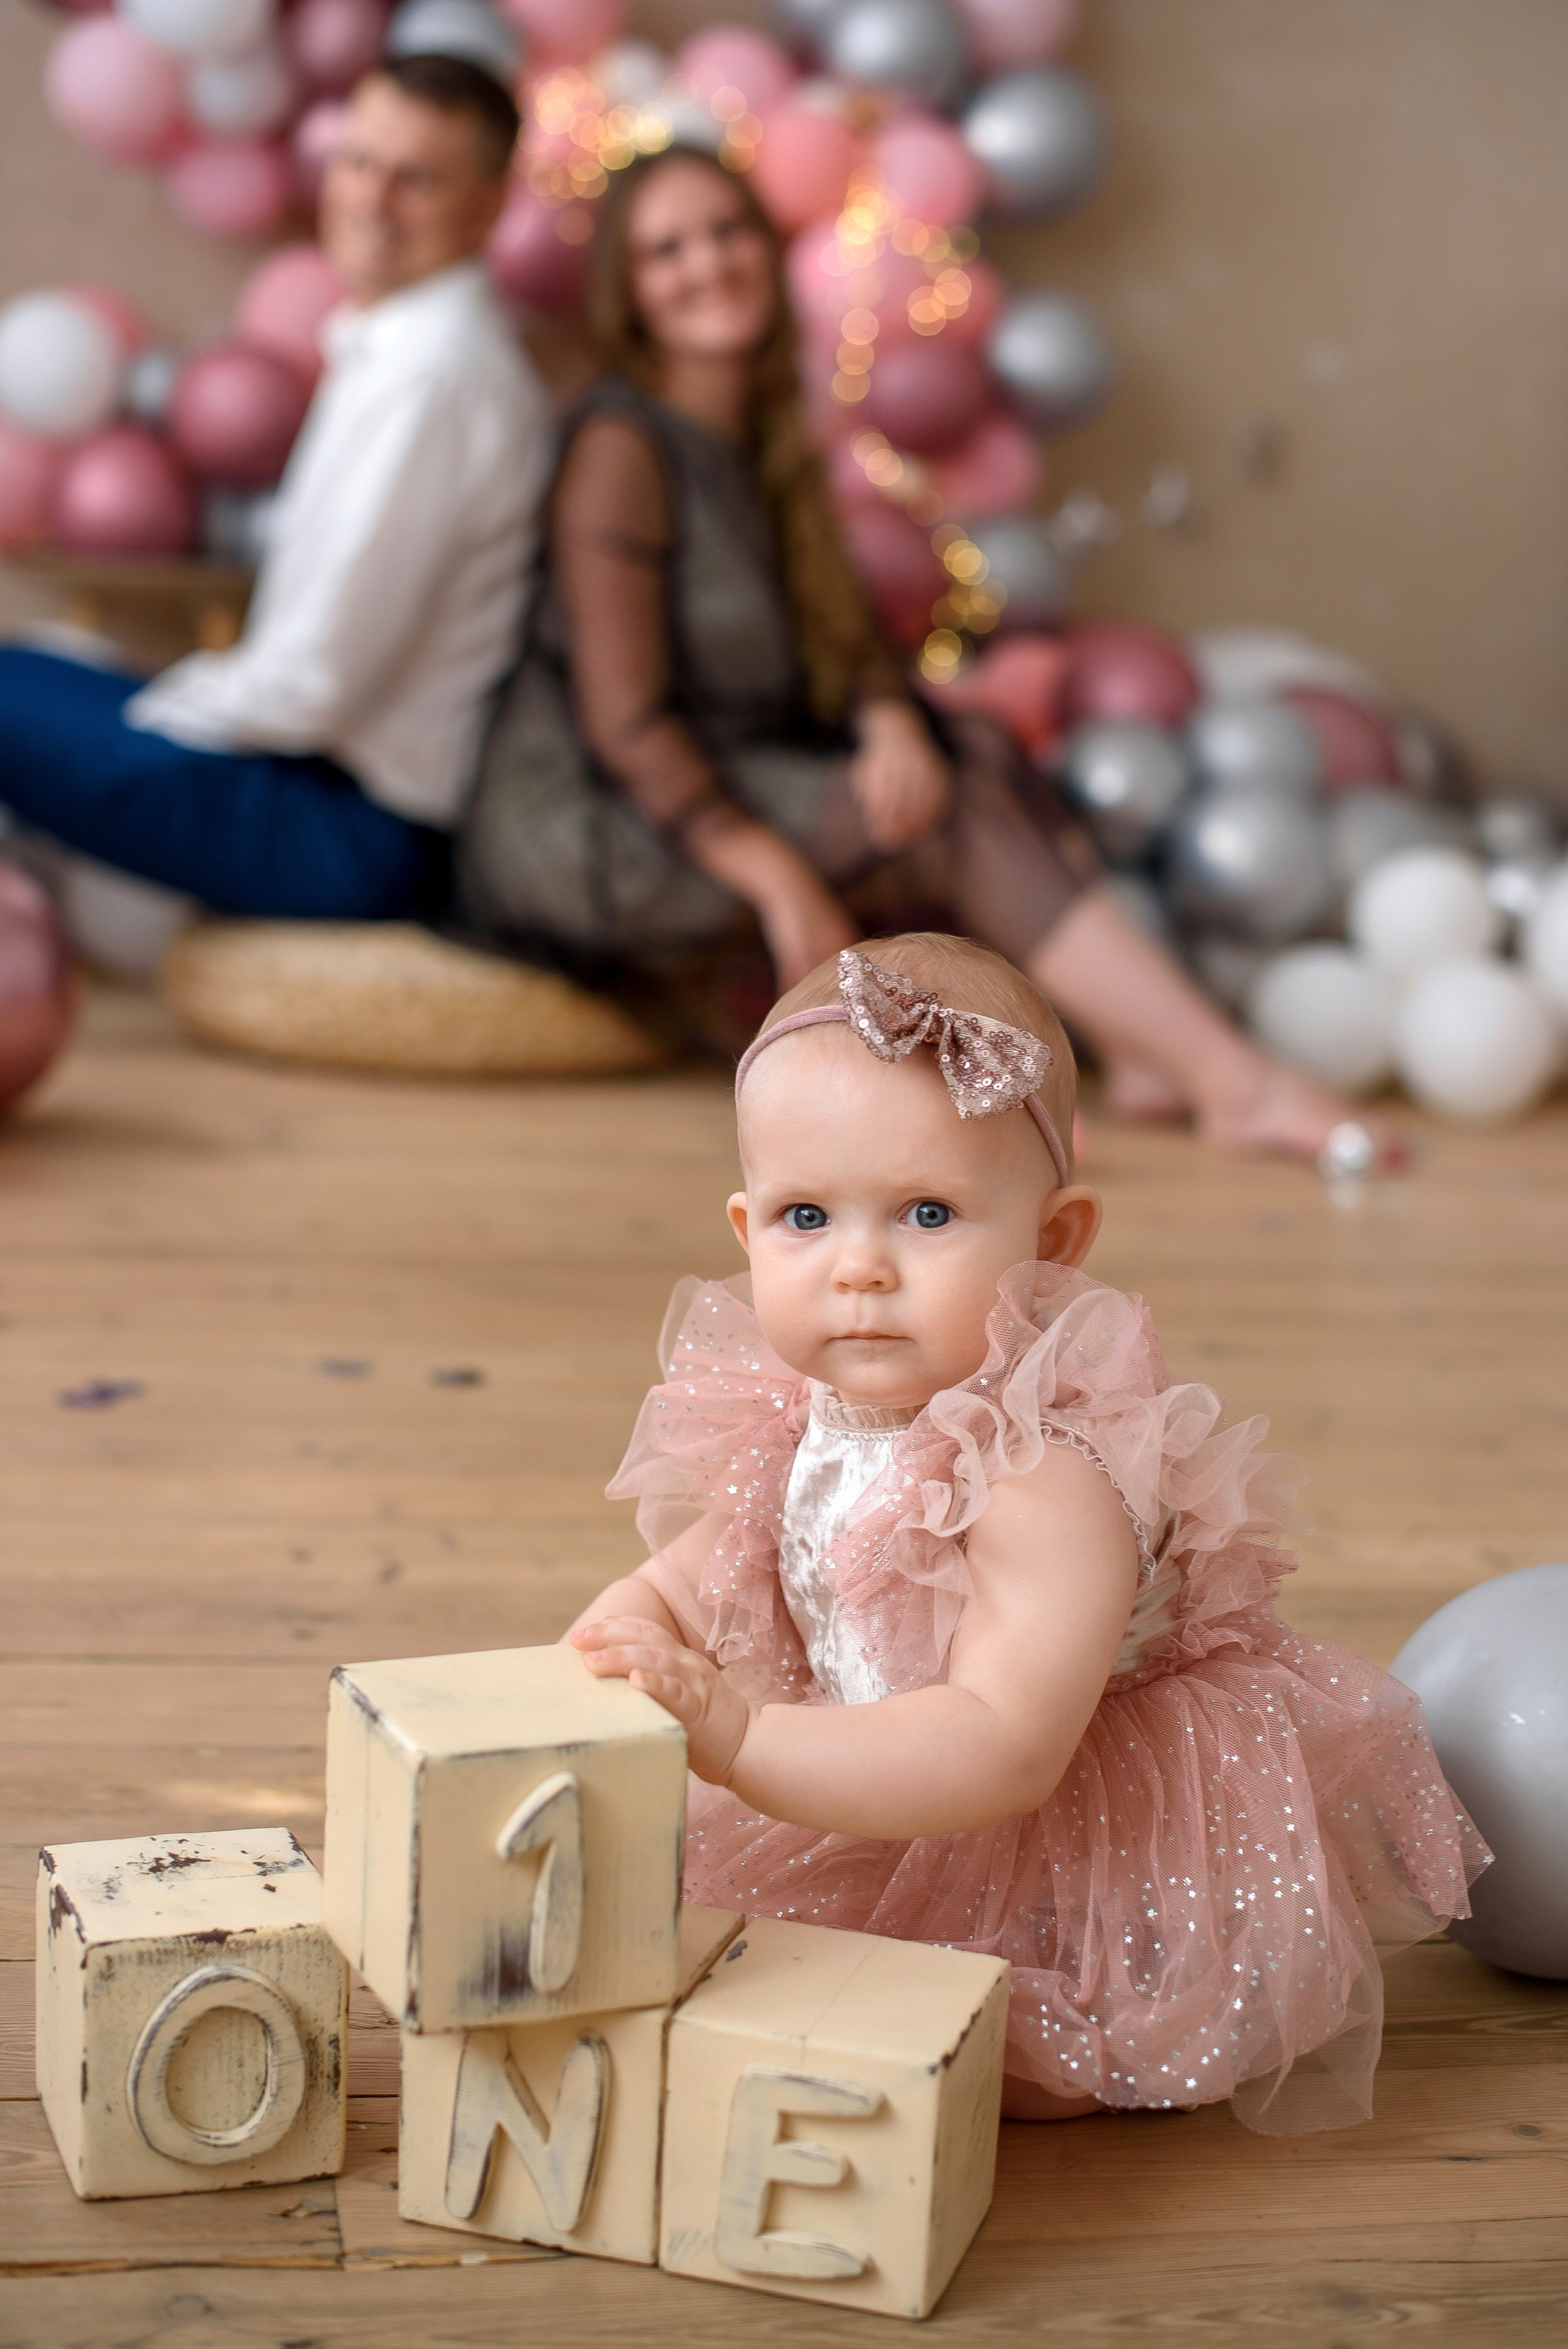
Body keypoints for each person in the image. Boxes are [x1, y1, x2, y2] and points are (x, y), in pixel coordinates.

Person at [566, 936, 1486, 2130]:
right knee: (714, 1937)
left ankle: (1058, 2011)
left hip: (1052, 1836)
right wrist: (612, 1647)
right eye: (806, 1216)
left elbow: (999, 1746)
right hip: (874, 1776)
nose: (858, 1268)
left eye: (926, 1213)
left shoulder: (1040, 1482)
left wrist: (737, 1733)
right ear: (745, 1231)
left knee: (992, 2050)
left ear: (1052, 1244)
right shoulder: (798, 1419)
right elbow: (710, 1575)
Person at [459, 145, 1394, 1165]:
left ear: (766, 253)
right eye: (666, 249)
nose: (707, 264)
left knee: (975, 744)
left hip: (718, 767)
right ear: (631, 295)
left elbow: (840, 632)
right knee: (941, 816)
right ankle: (1235, 1083)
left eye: (726, 232)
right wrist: (780, 878)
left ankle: (1140, 1056)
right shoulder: (620, 451)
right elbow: (626, 724)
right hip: (594, 817)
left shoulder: (765, 433)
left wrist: (892, 718)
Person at [0, 56, 550, 920]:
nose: (371, 199)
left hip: (348, 827)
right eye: (359, 162)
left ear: (488, 207)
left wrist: (159, 703)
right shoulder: (400, 348)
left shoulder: (434, 378)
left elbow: (313, 686)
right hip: (313, 779)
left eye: (417, 179)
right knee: (26, 670)